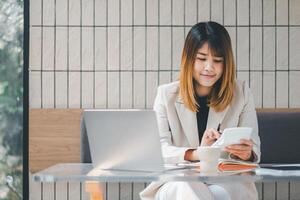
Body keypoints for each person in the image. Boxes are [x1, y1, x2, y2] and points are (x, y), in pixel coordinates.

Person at [140, 21, 261, 200]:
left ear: (227, 63)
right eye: (202, 58)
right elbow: (158, 151)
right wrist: (198, 153)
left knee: (217, 193)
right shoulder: (166, 95)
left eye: (218, 60)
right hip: (177, 181)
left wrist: (248, 153)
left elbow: (254, 150)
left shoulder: (241, 93)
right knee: (187, 189)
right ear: (189, 59)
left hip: (226, 180)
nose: (209, 67)